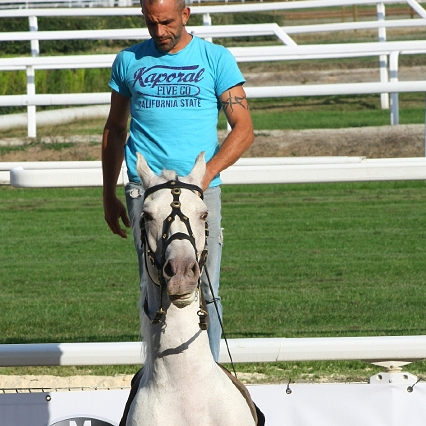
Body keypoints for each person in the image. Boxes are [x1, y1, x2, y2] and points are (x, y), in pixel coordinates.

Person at [102, 0, 254, 362]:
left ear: (186, 15)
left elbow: (244, 130)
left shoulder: (216, 59)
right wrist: (108, 193)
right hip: (147, 193)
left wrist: (204, 177)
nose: (159, 32)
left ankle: (210, 373)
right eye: (151, 23)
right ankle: (158, 377)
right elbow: (116, 128)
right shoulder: (128, 61)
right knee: (155, 286)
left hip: (199, 194)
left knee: (206, 288)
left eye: (167, 23)